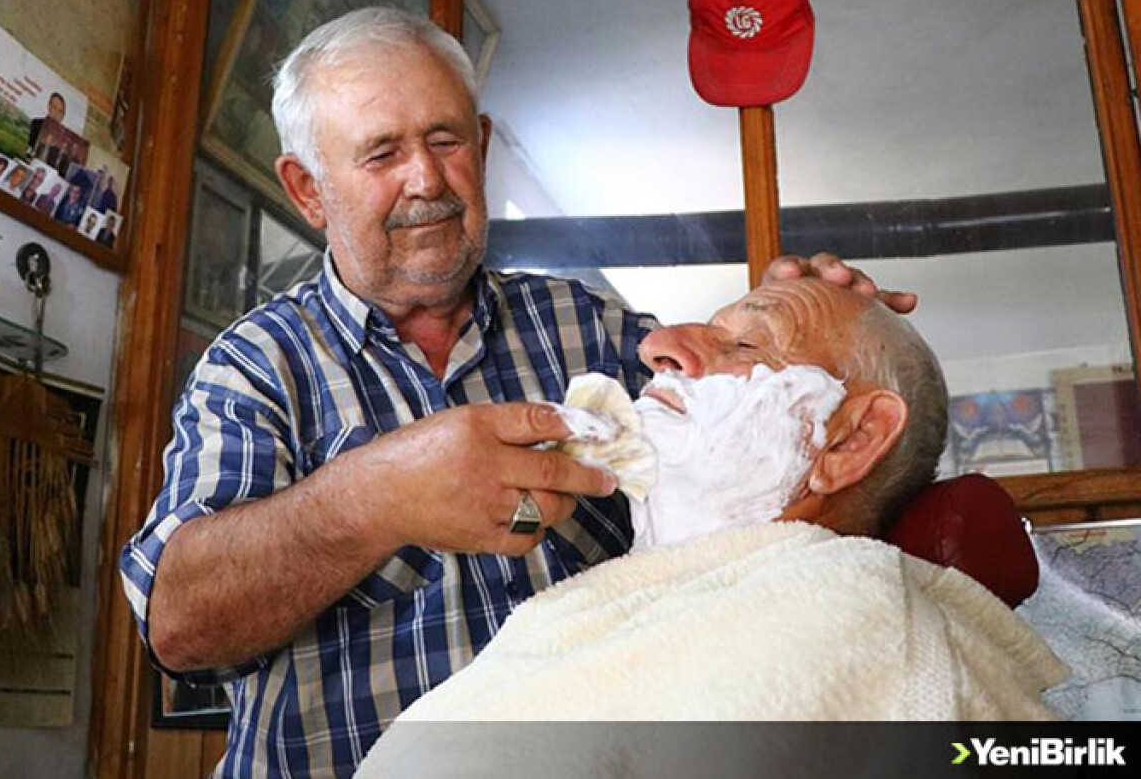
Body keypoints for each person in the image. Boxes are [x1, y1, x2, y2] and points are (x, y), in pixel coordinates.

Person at [119, 7, 916, 778]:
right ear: (308, 190)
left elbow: (755, 447)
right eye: (381, 154)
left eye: (445, 139)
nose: (426, 178)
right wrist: (374, 497)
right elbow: (180, 627)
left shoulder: (588, 326)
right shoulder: (258, 364)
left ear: (483, 144)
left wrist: (833, 335)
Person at [357, 278, 1067, 774]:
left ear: (850, 440)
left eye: (750, 348)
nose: (659, 345)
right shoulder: (581, 615)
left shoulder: (854, 619)